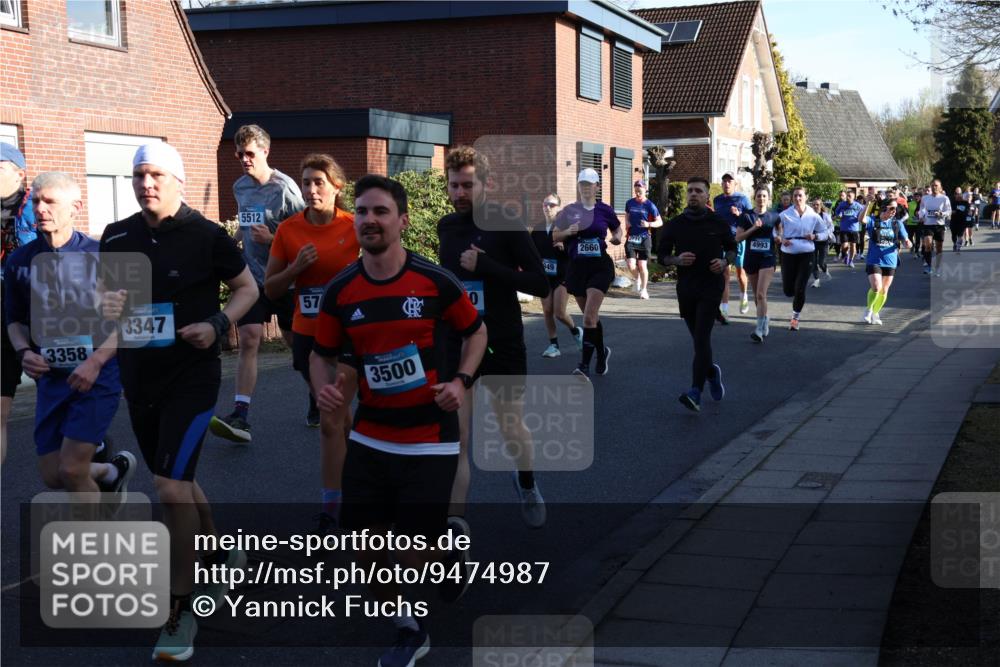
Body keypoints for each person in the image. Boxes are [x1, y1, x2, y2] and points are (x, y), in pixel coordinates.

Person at [310, 174, 487, 667]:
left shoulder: (435, 281)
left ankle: (429, 590)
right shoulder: (341, 290)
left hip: (430, 436)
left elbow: (476, 333)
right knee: (364, 545)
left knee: (411, 549)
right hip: (372, 435)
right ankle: (422, 600)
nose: (369, 220)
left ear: (403, 221)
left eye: (381, 211)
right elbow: (321, 352)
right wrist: (323, 388)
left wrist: (461, 382)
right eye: (362, 212)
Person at [100, 143, 258, 662]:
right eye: (138, 175)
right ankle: (220, 555)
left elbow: (247, 289)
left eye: (156, 175)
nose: (146, 184)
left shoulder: (207, 235)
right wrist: (106, 307)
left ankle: (180, 606)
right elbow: (110, 302)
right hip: (139, 377)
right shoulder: (117, 236)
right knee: (180, 480)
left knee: (168, 487)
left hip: (192, 377)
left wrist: (217, 323)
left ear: (178, 180)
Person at [438, 146, 549, 530]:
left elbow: (540, 283)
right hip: (458, 341)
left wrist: (486, 265)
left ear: (487, 184)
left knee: (510, 426)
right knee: (458, 437)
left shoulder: (507, 224)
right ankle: (454, 528)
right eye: (454, 185)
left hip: (502, 339)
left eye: (468, 185)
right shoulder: (446, 227)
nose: (460, 193)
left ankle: (526, 481)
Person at [4, 172, 134, 494]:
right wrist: (24, 352)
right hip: (51, 378)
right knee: (53, 476)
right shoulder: (20, 261)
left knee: (72, 470)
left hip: (98, 374)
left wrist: (97, 362)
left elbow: (130, 321)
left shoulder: (102, 255)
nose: (40, 208)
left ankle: (95, 526)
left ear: (75, 207)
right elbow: (15, 321)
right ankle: (110, 472)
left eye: (50, 201)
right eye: (36, 201)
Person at [264, 153, 360, 533]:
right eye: (306, 182)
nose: (311, 189)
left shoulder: (354, 226)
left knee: (331, 419)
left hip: (350, 332)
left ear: (337, 186)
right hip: (309, 336)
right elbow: (271, 289)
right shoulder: (288, 230)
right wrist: (295, 268)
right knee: (337, 416)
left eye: (319, 182)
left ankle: (332, 505)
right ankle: (354, 474)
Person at [209, 125, 305, 443]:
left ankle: (317, 395)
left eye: (249, 153)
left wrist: (273, 238)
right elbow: (246, 222)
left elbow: (305, 238)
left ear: (265, 151)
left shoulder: (286, 188)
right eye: (239, 154)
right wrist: (232, 240)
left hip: (284, 278)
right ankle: (241, 414)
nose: (244, 160)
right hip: (253, 278)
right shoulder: (240, 186)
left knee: (297, 347)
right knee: (250, 339)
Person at [656, 177, 735, 412]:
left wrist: (724, 262)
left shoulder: (718, 222)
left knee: (701, 338)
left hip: (711, 287)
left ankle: (695, 392)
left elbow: (732, 249)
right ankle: (711, 372)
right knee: (698, 341)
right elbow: (662, 256)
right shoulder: (675, 224)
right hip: (687, 288)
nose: (693, 194)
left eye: (698, 191)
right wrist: (677, 260)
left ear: (707, 196)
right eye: (690, 190)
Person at [552, 168, 622, 379]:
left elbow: (617, 229)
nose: (585, 187)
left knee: (589, 317)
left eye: (589, 184)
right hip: (577, 268)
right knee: (590, 318)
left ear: (597, 187)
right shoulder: (569, 210)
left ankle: (583, 366)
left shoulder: (604, 209)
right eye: (582, 184)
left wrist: (617, 238)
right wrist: (567, 232)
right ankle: (602, 352)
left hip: (600, 266)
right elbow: (555, 235)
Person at [1, 142, 36, 463]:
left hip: (38, 308)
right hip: (4, 311)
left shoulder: (37, 206)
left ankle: (97, 461)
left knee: (63, 394)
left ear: (19, 173)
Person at [532, 194, 583, 358]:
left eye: (552, 205)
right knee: (547, 310)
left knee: (559, 312)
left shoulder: (565, 227)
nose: (548, 207)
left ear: (559, 207)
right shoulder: (538, 229)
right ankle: (553, 345)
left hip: (563, 274)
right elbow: (532, 252)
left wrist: (564, 244)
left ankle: (576, 331)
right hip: (545, 275)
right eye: (545, 204)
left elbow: (576, 248)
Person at [776, 186, 830, 331]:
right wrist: (781, 238)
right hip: (788, 254)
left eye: (800, 195)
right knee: (788, 290)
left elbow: (825, 232)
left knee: (800, 288)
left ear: (806, 197)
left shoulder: (813, 215)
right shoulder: (784, 214)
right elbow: (775, 231)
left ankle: (795, 318)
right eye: (795, 196)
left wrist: (815, 236)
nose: (798, 198)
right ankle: (794, 294)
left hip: (807, 253)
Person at [735, 187, 780, 343]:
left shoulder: (774, 216)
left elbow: (780, 231)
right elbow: (738, 238)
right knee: (756, 296)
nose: (761, 198)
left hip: (767, 258)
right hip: (751, 259)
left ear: (769, 198)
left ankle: (759, 329)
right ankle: (765, 318)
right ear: (754, 198)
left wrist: (779, 238)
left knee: (761, 294)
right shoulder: (746, 216)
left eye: (764, 196)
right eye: (759, 196)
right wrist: (754, 228)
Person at [862, 198, 912, 325]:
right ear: (884, 208)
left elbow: (906, 240)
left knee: (884, 290)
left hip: (890, 261)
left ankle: (876, 313)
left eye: (896, 208)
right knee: (876, 287)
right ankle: (869, 310)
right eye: (892, 208)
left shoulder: (897, 223)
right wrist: (867, 204)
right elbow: (861, 219)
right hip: (874, 259)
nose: (895, 211)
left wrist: (908, 243)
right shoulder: (873, 221)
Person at [713, 172, 752, 321]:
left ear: (735, 184)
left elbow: (751, 219)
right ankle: (724, 309)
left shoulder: (742, 199)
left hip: (737, 240)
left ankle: (744, 295)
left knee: (740, 273)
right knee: (725, 274)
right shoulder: (717, 200)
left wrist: (739, 214)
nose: (727, 183)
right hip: (722, 241)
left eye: (730, 181)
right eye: (724, 181)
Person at [624, 179, 663, 300]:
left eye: (639, 191)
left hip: (644, 238)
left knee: (642, 265)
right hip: (631, 237)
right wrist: (627, 222)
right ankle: (638, 279)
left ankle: (644, 290)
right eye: (636, 191)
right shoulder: (629, 203)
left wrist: (648, 224)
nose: (637, 193)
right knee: (631, 265)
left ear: (645, 190)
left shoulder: (650, 205)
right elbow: (627, 215)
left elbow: (660, 222)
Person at [917, 179, 951, 276]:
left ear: (940, 187)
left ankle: (938, 267)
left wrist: (941, 214)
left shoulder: (944, 198)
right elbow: (922, 209)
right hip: (928, 224)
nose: (934, 187)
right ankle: (928, 266)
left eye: (936, 185)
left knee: (939, 248)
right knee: (928, 244)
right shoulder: (925, 198)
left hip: (939, 225)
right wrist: (921, 216)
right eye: (932, 185)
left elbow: (948, 211)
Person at [833, 189, 864, 268]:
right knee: (844, 246)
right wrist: (839, 215)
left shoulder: (858, 206)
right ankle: (846, 255)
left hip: (854, 229)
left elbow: (863, 213)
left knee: (853, 246)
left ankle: (851, 261)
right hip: (844, 228)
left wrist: (860, 216)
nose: (848, 197)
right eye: (847, 196)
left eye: (850, 196)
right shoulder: (842, 204)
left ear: (854, 197)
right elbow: (837, 212)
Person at [809, 196, 834, 288]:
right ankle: (816, 280)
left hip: (823, 241)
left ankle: (825, 269)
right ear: (812, 206)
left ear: (821, 205)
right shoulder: (809, 216)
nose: (816, 206)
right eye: (814, 205)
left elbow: (831, 227)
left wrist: (825, 234)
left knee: (821, 262)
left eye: (817, 204)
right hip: (813, 241)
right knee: (813, 261)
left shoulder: (825, 216)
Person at [950, 186, 969, 252]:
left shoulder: (965, 203)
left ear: (962, 194)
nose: (958, 195)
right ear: (954, 194)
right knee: (954, 235)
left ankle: (958, 247)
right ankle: (955, 244)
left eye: (959, 193)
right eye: (956, 194)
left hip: (962, 222)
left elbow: (968, 211)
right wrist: (952, 212)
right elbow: (950, 211)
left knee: (960, 235)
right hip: (954, 221)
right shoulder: (952, 202)